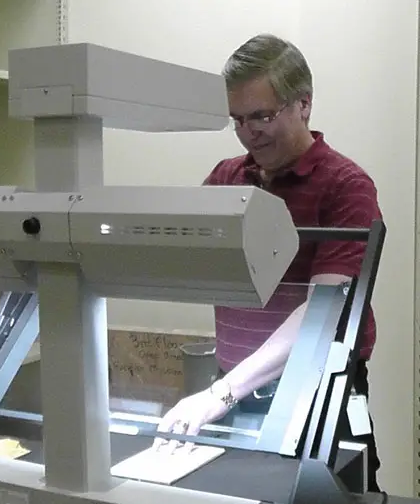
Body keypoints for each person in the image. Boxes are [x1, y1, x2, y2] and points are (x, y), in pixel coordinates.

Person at [155, 33, 383, 492]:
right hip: (233, 392)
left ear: (304, 104)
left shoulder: (347, 185)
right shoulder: (226, 179)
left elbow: (321, 312)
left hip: (315, 398)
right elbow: (183, 261)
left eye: (261, 115)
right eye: (237, 119)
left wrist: (218, 394)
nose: (248, 132)